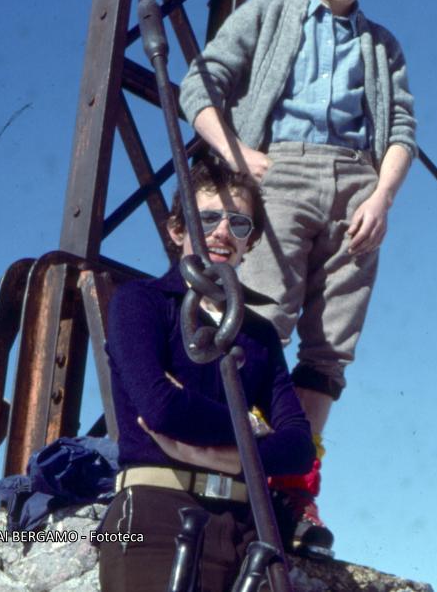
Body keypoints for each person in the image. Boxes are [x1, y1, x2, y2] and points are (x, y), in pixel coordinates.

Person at [178, 0, 416, 546]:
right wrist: (235, 153)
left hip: (356, 184)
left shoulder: (381, 45)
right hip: (280, 165)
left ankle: (296, 490)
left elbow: (401, 133)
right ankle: (231, 477)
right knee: (258, 319)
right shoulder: (270, 14)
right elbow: (198, 83)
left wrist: (382, 197)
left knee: (331, 345)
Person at [99, 157, 315, 592]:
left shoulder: (259, 334)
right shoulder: (140, 302)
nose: (222, 232)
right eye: (208, 218)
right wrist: (255, 428)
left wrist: (226, 456)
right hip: (153, 516)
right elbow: (161, 408)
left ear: (249, 241)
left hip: (242, 527)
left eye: (239, 223)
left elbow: (299, 448)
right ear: (177, 230)